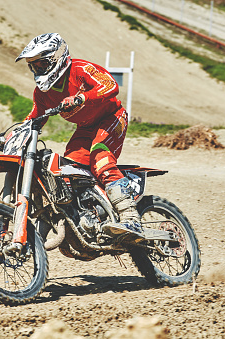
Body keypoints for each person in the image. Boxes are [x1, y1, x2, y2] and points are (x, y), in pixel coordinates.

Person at [15, 32, 142, 240]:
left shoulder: (80, 69)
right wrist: (8, 137)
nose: (37, 70)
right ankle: (93, 215)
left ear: (56, 58)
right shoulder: (42, 94)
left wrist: (82, 97)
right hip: (85, 128)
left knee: (101, 159)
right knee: (70, 171)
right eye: (34, 66)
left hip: (111, 117)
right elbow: (34, 117)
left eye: (41, 64)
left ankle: (131, 218)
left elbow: (110, 85)